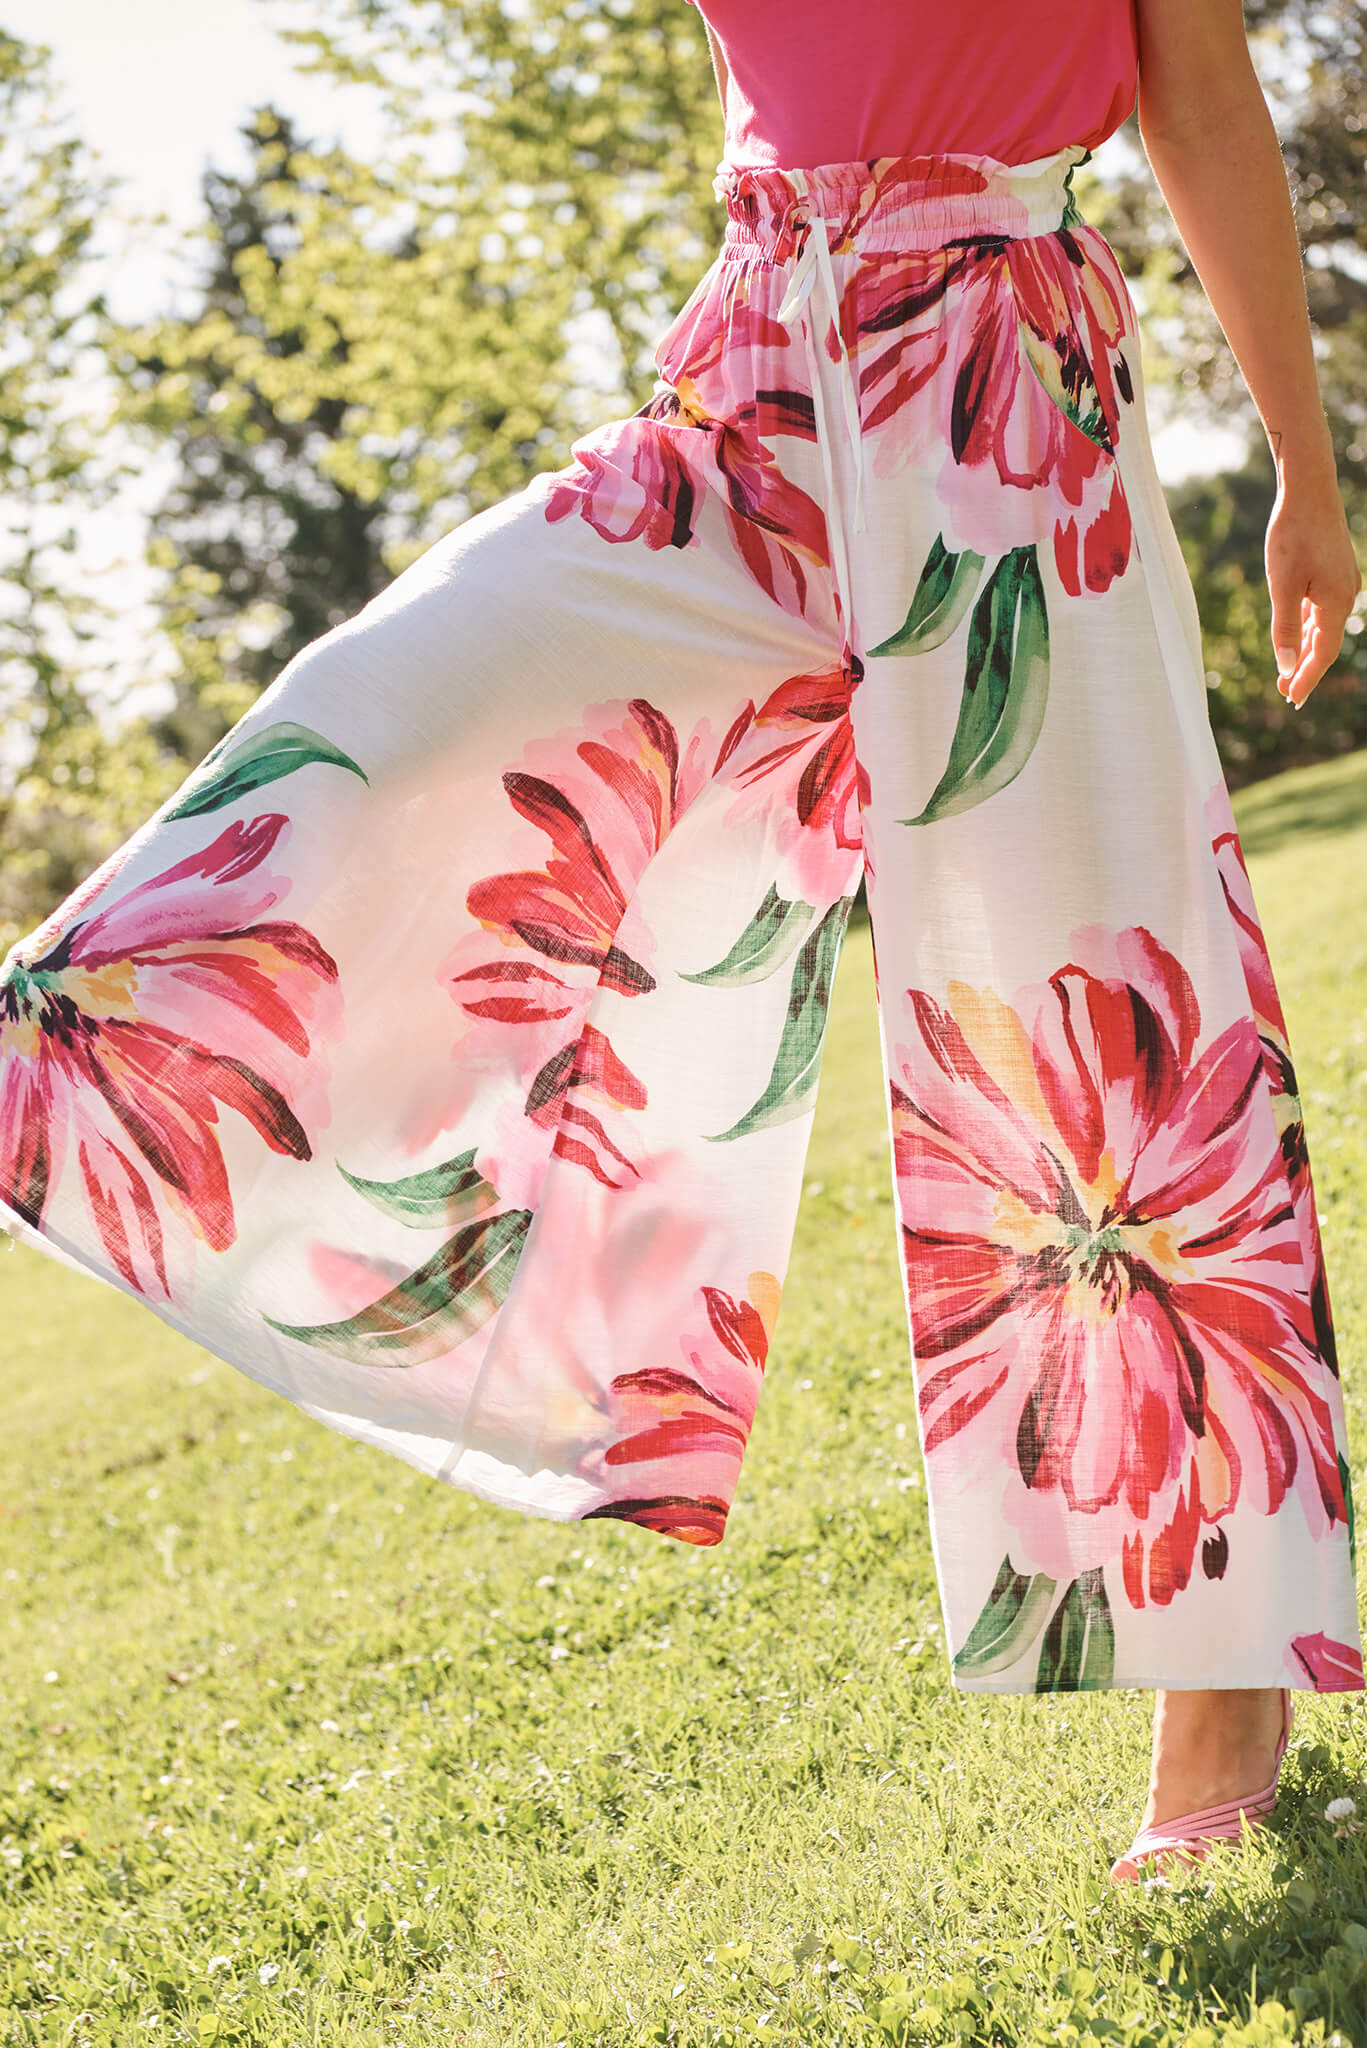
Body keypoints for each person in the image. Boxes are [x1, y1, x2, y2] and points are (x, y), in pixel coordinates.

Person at [0, 0, 1361, 1886]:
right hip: (752, 381)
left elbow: (1199, 100)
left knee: (1098, 1010)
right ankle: (140, 1055)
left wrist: (1300, 465)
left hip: (1002, 383)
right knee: (407, 700)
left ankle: (1216, 1664)